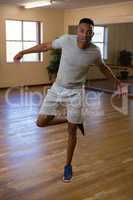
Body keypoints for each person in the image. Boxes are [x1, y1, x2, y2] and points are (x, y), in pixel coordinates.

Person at [14, 18, 123, 182]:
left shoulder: (95, 51)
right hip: (57, 88)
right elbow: (45, 46)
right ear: (77, 31)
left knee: (71, 132)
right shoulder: (66, 40)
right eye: (82, 31)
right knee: (41, 122)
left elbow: (103, 67)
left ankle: (67, 166)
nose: (85, 35)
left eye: (89, 32)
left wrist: (117, 82)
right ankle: (71, 120)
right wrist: (23, 52)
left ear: (93, 34)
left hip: (76, 92)